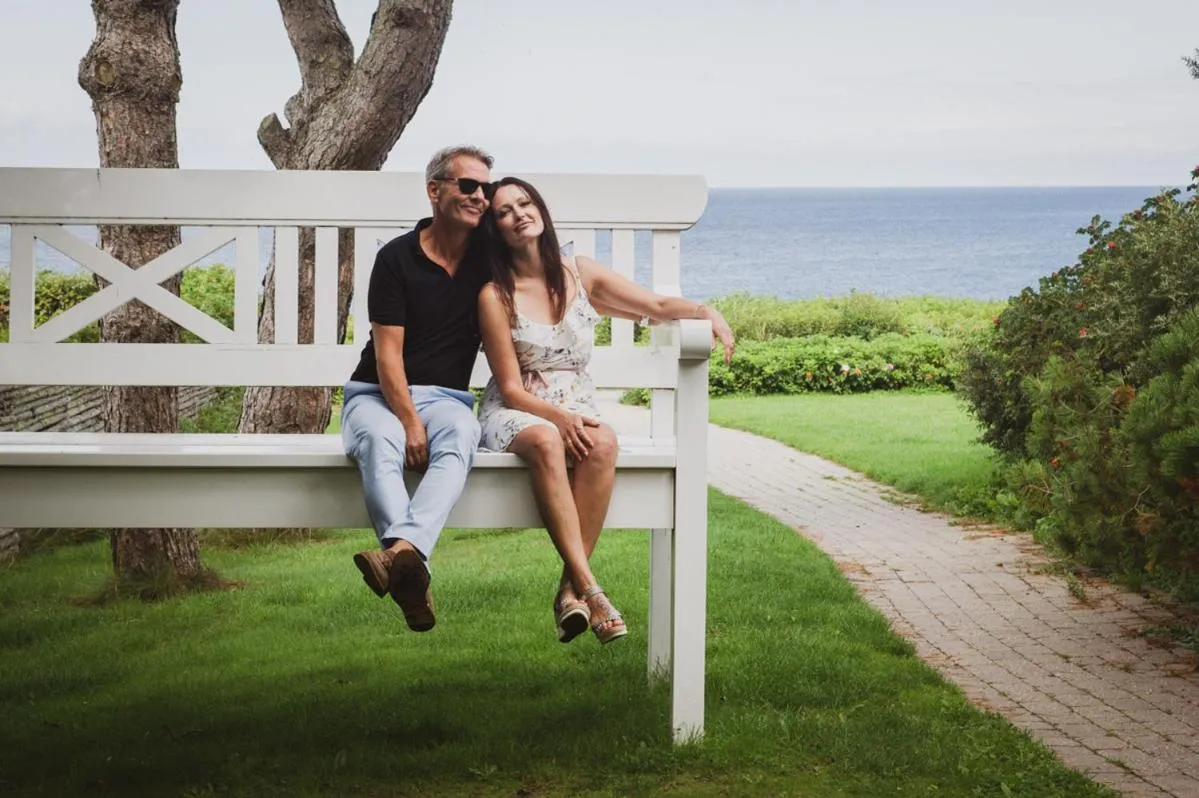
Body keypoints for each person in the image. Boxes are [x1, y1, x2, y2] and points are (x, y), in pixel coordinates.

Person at [476, 176, 735, 645]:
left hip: (576, 406)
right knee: (547, 438)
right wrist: (558, 419)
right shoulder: (495, 295)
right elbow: (510, 389)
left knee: (604, 443)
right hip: (519, 412)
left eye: (525, 203)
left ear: (540, 210)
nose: (518, 215)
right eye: (504, 212)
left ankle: (569, 592)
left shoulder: (580, 273)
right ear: (495, 229)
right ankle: (593, 590)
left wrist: (704, 311)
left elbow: (655, 304)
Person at [341, 145, 497, 632]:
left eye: (486, 189)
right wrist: (409, 422)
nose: (480, 197)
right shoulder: (396, 258)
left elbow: (557, 268)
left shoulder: (489, 259)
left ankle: (400, 556)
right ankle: (412, 568)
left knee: (463, 433)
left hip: (446, 399)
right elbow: (387, 355)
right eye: (468, 185)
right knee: (378, 439)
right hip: (376, 393)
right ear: (434, 190)